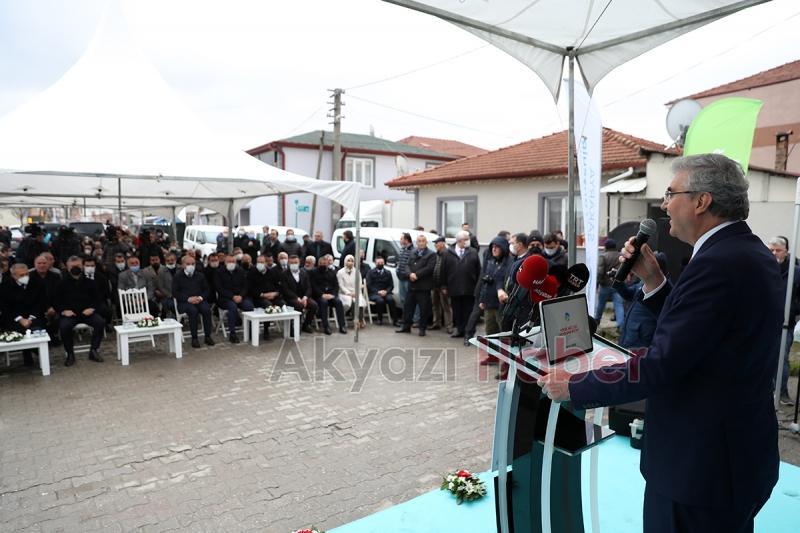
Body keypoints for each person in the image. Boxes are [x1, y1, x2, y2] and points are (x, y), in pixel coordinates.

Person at [539, 154, 783, 533]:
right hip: (735, 455)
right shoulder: (747, 253)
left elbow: (663, 364)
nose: (664, 205)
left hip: (700, 469)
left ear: (702, 201)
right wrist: (654, 281)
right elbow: (702, 338)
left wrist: (573, 384)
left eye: (671, 194)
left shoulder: (717, 264)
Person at [55, 256, 106, 366]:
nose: (75, 268)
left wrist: (92, 308)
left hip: (87, 313)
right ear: (67, 268)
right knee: (64, 326)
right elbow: (56, 302)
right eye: (72, 266)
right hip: (70, 314)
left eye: (78, 266)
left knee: (100, 322)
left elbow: (97, 299)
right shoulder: (61, 283)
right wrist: (64, 311)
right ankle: (70, 354)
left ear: (82, 266)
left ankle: (94, 350)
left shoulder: (90, 282)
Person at [768, 235, 800, 406]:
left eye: (777, 250)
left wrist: (794, 309)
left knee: (781, 358)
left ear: (786, 252)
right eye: (771, 250)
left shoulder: (796, 272)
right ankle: (766, 391)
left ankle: (782, 393)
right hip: (765, 321)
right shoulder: (764, 267)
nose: (774, 253)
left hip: (785, 322)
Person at [0, 263, 44, 367]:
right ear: (13, 275)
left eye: (26, 274)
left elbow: (40, 303)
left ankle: (39, 352)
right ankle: (28, 354)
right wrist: (20, 319)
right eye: (21, 275)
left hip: (33, 316)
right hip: (13, 318)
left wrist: (30, 318)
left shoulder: (36, 283)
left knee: (38, 328)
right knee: (19, 330)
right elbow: (5, 307)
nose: (25, 277)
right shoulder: (5, 286)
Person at [396, 234, 435, 336]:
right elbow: (407, 265)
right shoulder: (413, 252)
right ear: (416, 243)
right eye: (419, 241)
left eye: (423, 241)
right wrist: (410, 274)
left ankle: (422, 329)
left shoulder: (431, 254)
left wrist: (417, 275)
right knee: (408, 307)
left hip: (423, 287)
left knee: (423, 309)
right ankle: (406, 327)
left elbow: (429, 268)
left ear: (426, 243)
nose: (421, 243)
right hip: (412, 285)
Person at [173, 255, 215, 348]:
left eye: (193, 264)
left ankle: (207, 336)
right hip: (184, 302)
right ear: (183, 265)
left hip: (199, 300)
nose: (191, 265)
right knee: (193, 311)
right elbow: (175, 292)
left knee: (206, 309)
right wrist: (188, 299)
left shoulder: (200, 275)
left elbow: (207, 289)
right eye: (188, 264)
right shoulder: (178, 276)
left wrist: (200, 298)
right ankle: (194, 338)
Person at [446, 231, 481, 338]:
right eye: (466, 239)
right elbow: (444, 269)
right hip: (454, 287)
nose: (468, 241)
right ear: (459, 240)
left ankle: (468, 332)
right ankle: (460, 330)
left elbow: (478, 270)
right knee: (457, 311)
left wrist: (478, 286)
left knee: (468, 311)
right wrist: (443, 285)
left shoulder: (473, 252)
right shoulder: (449, 252)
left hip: (469, 287)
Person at [216, 255, 254, 343]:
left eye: (233, 262)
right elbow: (219, 288)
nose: (231, 263)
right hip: (225, 298)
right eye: (229, 262)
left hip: (240, 297)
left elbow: (245, 286)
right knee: (232, 307)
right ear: (225, 263)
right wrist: (232, 297)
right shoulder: (219, 272)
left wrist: (241, 296)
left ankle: (250, 330)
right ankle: (232, 334)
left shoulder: (240, 271)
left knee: (249, 306)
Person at [478, 236, 511, 337]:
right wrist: (482, 299)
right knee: (490, 332)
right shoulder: (491, 261)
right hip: (489, 304)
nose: (494, 249)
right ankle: (492, 352)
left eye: (497, 247)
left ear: (504, 248)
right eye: (492, 246)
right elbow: (485, 283)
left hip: (501, 305)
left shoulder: (509, 263)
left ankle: (505, 352)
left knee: (503, 333)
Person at [248, 254, 284, 340]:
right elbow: (250, 288)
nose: (260, 264)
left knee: (283, 304)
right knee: (268, 305)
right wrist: (263, 295)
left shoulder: (272, 272)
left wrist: (275, 294)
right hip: (258, 298)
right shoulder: (251, 273)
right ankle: (266, 330)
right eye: (258, 262)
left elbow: (279, 286)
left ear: (266, 263)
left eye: (262, 262)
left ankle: (289, 329)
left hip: (273, 296)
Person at [310, 255, 346, 335]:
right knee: (324, 303)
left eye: (324, 263)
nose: (323, 265)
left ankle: (342, 326)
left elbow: (336, 285)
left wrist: (333, 295)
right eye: (321, 263)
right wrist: (322, 295)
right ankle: (326, 326)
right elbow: (313, 286)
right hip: (319, 296)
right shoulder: (313, 272)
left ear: (327, 264)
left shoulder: (332, 272)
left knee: (338, 302)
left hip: (331, 295)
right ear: (318, 264)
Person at [281, 254, 317, 334]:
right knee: (299, 305)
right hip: (291, 297)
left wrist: (305, 297)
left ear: (299, 262)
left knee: (314, 305)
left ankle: (306, 325)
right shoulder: (284, 274)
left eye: (295, 262)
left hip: (303, 297)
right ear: (289, 263)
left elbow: (309, 287)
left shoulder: (304, 272)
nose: (294, 264)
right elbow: (285, 289)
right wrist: (296, 298)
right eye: (292, 263)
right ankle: (295, 327)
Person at [594, 239, 626, 326]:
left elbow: (600, 272)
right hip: (617, 285)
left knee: (601, 305)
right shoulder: (621, 256)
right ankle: (621, 325)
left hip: (605, 285)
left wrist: (597, 284)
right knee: (619, 305)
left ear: (606, 247)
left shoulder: (603, 256)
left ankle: (596, 323)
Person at [431, 237, 454, 333]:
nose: (435, 245)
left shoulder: (448, 254)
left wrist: (445, 286)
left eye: (437, 243)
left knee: (446, 306)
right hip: (434, 284)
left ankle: (449, 326)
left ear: (442, 244)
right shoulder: (437, 254)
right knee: (435, 305)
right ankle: (436, 323)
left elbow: (450, 271)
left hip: (443, 285)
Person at [366, 255, 398, 326]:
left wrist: (386, 291)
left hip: (386, 292)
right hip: (374, 293)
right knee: (380, 301)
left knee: (391, 300)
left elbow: (391, 285)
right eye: (378, 263)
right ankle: (379, 319)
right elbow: (369, 285)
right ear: (375, 263)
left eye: (382, 262)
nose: (380, 264)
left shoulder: (388, 272)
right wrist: (378, 292)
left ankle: (395, 320)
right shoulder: (370, 272)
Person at [82, 255, 112, 327]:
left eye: (92, 266)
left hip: (98, 302)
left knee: (107, 311)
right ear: (83, 266)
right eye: (87, 265)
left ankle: (105, 325)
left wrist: (94, 305)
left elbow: (105, 292)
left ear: (95, 266)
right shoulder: (79, 277)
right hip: (83, 303)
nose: (90, 267)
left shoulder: (101, 277)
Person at [336, 254, 366, 328]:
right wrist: (348, 293)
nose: (350, 262)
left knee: (360, 302)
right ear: (345, 261)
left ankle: (360, 319)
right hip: (344, 293)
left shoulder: (357, 272)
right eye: (348, 261)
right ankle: (355, 320)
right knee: (351, 301)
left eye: (352, 261)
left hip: (356, 292)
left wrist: (355, 292)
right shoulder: (340, 272)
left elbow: (359, 283)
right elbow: (341, 285)